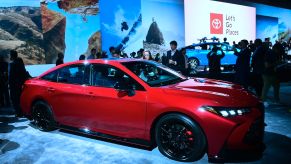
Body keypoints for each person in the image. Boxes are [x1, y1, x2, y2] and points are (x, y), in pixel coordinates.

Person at [9, 50, 27, 117]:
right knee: (19, 98)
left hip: (14, 85)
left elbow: (11, 76)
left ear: (12, 55)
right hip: (20, 83)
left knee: (14, 99)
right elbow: (23, 72)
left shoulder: (13, 64)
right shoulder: (20, 61)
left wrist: (9, 84)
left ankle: (18, 113)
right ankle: (22, 111)